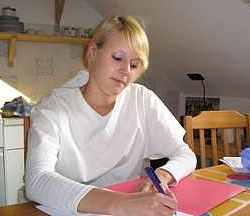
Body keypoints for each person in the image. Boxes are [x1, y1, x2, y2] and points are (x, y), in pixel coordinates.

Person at [25, 13, 197, 216]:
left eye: (134, 65)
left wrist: (162, 175)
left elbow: (185, 154)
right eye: (117, 58)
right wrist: (123, 204)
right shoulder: (54, 107)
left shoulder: (141, 99)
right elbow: (37, 180)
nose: (126, 71)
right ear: (92, 53)